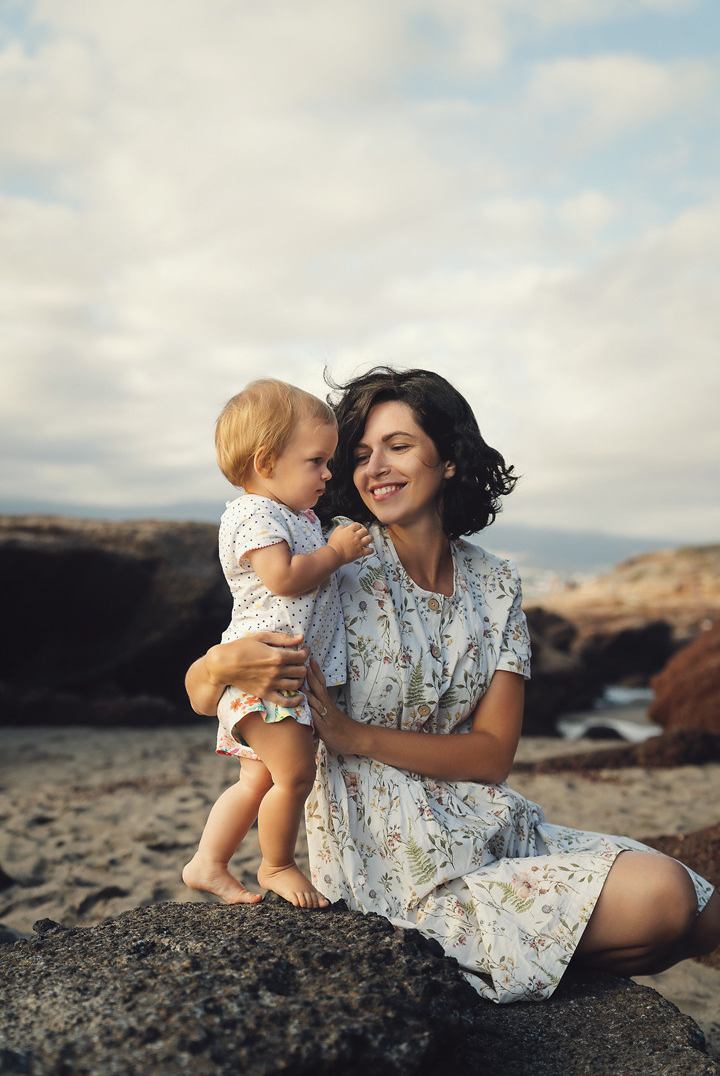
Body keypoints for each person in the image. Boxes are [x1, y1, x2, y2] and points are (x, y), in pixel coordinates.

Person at [185, 367, 720, 1002]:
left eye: (399, 446)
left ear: (450, 461)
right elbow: (206, 687)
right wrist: (218, 666)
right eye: (359, 455)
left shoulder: (496, 583)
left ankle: (520, 961)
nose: (375, 467)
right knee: (664, 900)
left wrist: (356, 735)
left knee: (707, 913)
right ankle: (507, 963)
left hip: (485, 820)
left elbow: (493, 756)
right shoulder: (338, 562)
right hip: (392, 854)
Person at [183, 379, 372, 909]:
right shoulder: (253, 515)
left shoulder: (298, 516)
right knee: (294, 774)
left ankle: (208, 862)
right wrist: (336, 553)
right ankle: (277, 864)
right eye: (317, 461)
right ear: (267, 461)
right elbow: (284, 577)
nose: (328, 474)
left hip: (279, 674)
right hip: (263, 671)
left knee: (257, 778)